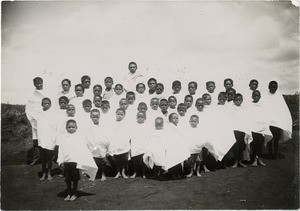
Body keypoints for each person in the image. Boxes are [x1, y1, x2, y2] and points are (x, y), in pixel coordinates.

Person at [57, 119, 98, 201]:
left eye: (73, 127)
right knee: (68, 179)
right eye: (69, 127)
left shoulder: (79, 137)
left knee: (75, 179)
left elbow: (83, 147)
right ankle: (68, 193)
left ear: (76, 127)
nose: (71, 128)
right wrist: (60, 160)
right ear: (66, 128)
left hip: (75, 162)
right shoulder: (63, 138)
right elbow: (61, 150)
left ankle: (75, 193)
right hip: (67, 161)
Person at [264, 81, 292, 159]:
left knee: (276, 139)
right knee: (269, 137)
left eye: (274, 87)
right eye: (271, 86)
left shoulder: (279, 95)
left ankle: (275, 153)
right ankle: (270, 153)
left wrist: (282, 119)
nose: (273, 88)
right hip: (269, 121)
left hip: (277, 122)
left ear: (276, 87)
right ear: (268, 87)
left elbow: (283, 108)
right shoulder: (265, 95)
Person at [248, 90, 272, 166]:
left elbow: (266, 116)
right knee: (254, 145)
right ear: (252, 96)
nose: (256, 97)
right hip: (253, 128)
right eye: (254, 95)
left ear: (260, 97)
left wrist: (264, 126)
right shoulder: (249, 105)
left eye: (257, 95)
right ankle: (254, 159)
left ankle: (259, 159)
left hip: (262, 128)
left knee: (260, 145)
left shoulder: (263, 105)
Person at [26, 77, 46, 165]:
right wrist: (35, 119)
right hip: (36, 120)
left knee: (46, 140)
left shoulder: (47, 93)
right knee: (36, 140)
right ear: (34, 84)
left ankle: (47, 158)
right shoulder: (32, 96)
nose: (39, 85)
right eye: (37, 83)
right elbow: (29, 109)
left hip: (45, 120)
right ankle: (37, 158)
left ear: (42, 83)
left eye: (40, 83)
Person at [36, 97, 57, 181]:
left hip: (50, 138)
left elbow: (55, 126)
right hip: (42, 138)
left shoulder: (53, 113)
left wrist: (54, 138)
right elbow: (38, 127)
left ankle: (49, 173)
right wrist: (39, 138)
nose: (46, 104)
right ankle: (44, 173)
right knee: (43, 158)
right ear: (42, 104)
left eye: (48, 103)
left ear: (50, 104)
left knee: (49, 158)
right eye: (45, 103)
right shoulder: (40, 114)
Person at [87, 109, 110, 181]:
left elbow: (105, 135)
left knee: (102, 161)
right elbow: (89, 137)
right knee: (94, 160)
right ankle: (93, 174)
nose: (95, 118)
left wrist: (106, 145)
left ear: (99, 116)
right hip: (92, 145)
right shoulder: (89, 126)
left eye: (97, 117)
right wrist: (94, 146)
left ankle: (103, 174)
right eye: (94, 117)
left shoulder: (102, 125)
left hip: (101, 145)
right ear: (90, 117)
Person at [108, 108, 131, 179]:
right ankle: (118, 172)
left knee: (124, 159)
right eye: (118, 114)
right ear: (115, 114)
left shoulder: (126, 123)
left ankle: (123, 172)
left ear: (124, 115)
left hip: (123, 142)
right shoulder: (112, 123)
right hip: (116, 142)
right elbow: (111, 132)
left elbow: (128, 133)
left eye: (121, 114)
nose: (119, 116)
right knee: (117, 159)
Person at [129, 111, 149, 179]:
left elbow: (148, 136)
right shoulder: (133, 125)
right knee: (135, 159)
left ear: (145, 118)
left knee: (144, 159)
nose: (140, 118)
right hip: (135, 144)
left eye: (142, 117)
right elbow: (131, 134)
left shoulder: (147, 125)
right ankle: (135, 172)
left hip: (144, 144)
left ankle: (144, 173)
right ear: (136, 117)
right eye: (139, 117)